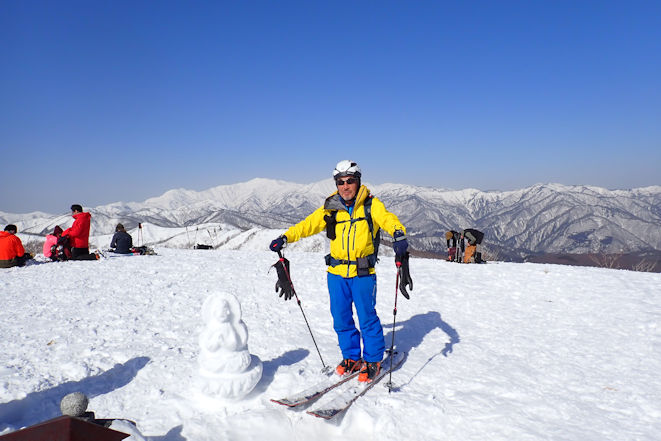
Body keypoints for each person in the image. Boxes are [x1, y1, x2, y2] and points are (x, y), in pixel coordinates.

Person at [269, 160, 413, 383]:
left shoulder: (371, 205)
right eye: (341, 182)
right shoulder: (331, 208)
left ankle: (373, 359)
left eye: (350, 181)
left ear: (358, 181)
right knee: (341, 317)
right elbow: (307, 225)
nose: (345, 186)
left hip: (363, 273)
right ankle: (351, 357)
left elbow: (388, 219)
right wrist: (285, 237)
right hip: (336, 273)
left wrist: (398, 234)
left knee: (367, 318)